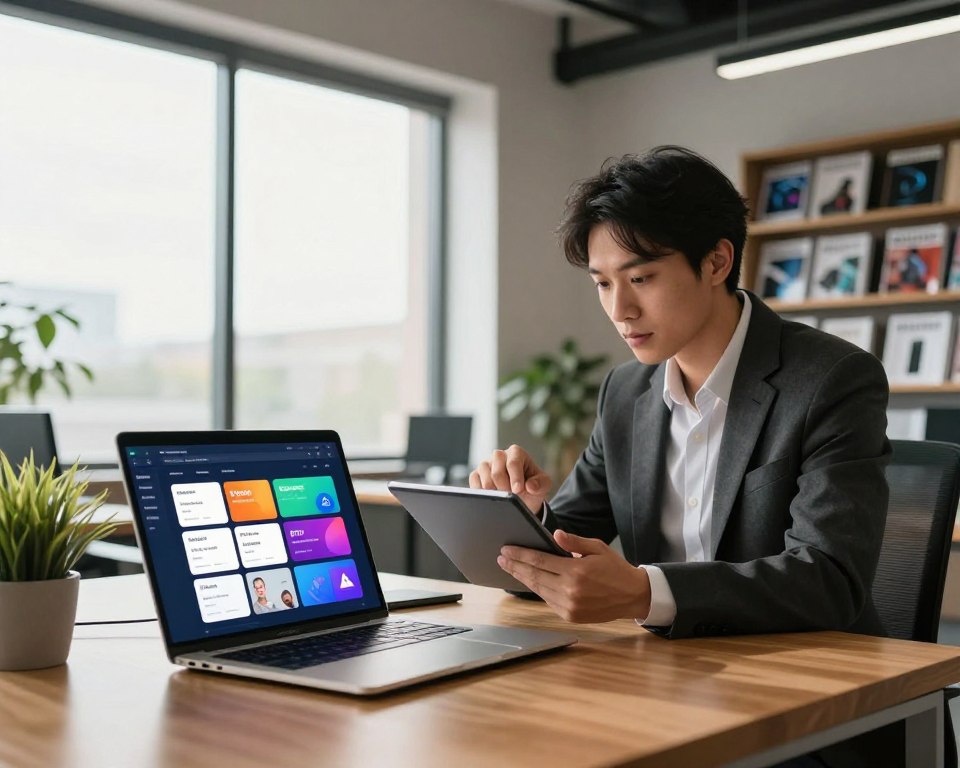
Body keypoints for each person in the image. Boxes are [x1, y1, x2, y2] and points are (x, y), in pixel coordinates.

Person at [471, 146, 890, 640]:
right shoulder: (625, 393)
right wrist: (526, 512)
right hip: (670, 673)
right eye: (602, 284)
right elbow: (567, 545)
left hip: (807, 673)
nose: (619, 310)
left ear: (715, 262)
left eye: (640, 278)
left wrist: (645, 593)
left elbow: (829, 579)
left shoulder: (832, 379)